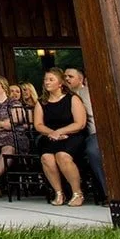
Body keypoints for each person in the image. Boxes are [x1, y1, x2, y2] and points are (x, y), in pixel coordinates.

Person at [33, 68, 87, 206]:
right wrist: (52, 133)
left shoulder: (72, 98)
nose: (47, 82)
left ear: (60, 83)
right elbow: (38, 124)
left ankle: (77, 193)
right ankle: (59, 192)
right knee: (47, 158)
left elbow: (80, 123)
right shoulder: (42, 102)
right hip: (50, 136)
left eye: (51, 79)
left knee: (62, 156)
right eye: (45, 79)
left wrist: (60, 132)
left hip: (72, 135)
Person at [62, 66, 106, 197]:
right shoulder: (65, 96)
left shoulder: (86, 93)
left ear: (80, 79)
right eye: (64, 77)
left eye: (70, 76)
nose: (66, 79)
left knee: (93, 151)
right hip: (77, 136)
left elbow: (90, 117)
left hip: (94, 133)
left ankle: (107, 191)